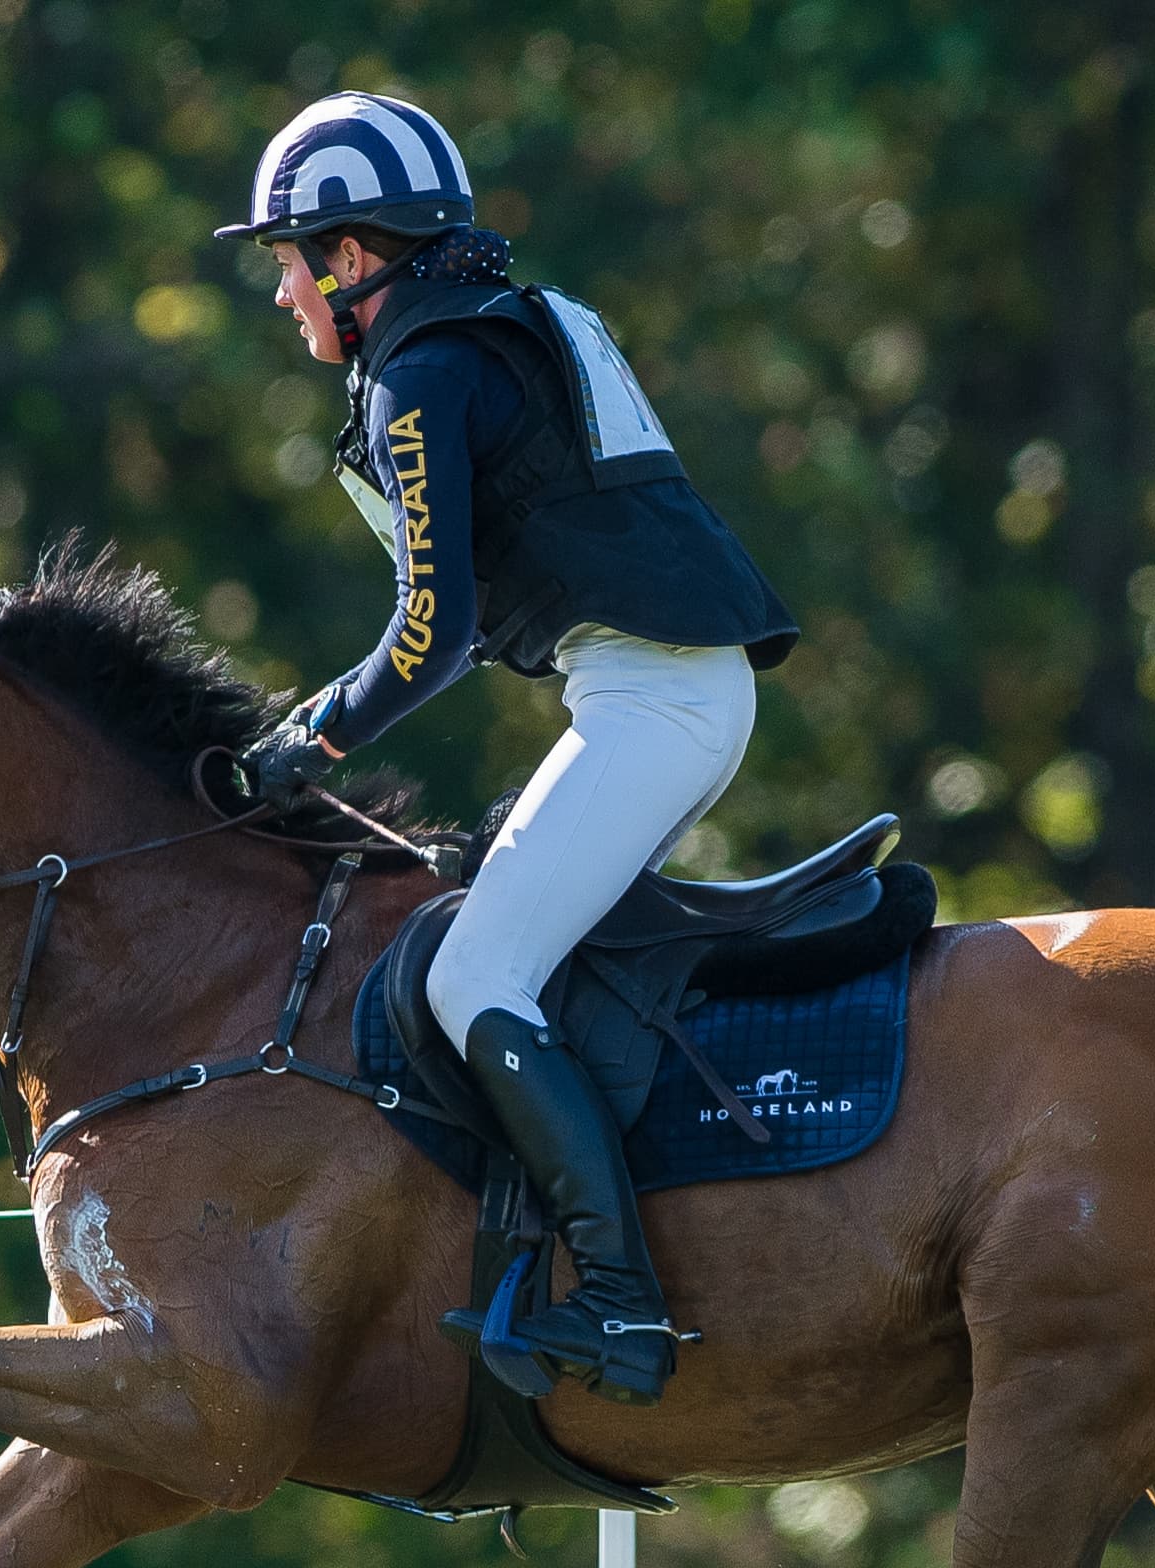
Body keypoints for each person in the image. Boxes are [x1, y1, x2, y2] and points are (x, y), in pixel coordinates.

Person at [219, 92, 798, 1407]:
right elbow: (460, 620)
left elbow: (433, 633)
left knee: (471, 975)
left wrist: (316, 736)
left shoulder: (423, 376)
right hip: (659, 690)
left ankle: (621, 1302)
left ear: (353, 257)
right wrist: (316, 715)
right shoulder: (497, 328)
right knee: (493, 948)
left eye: (288, 263)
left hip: (656, 700)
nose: (284, 296)